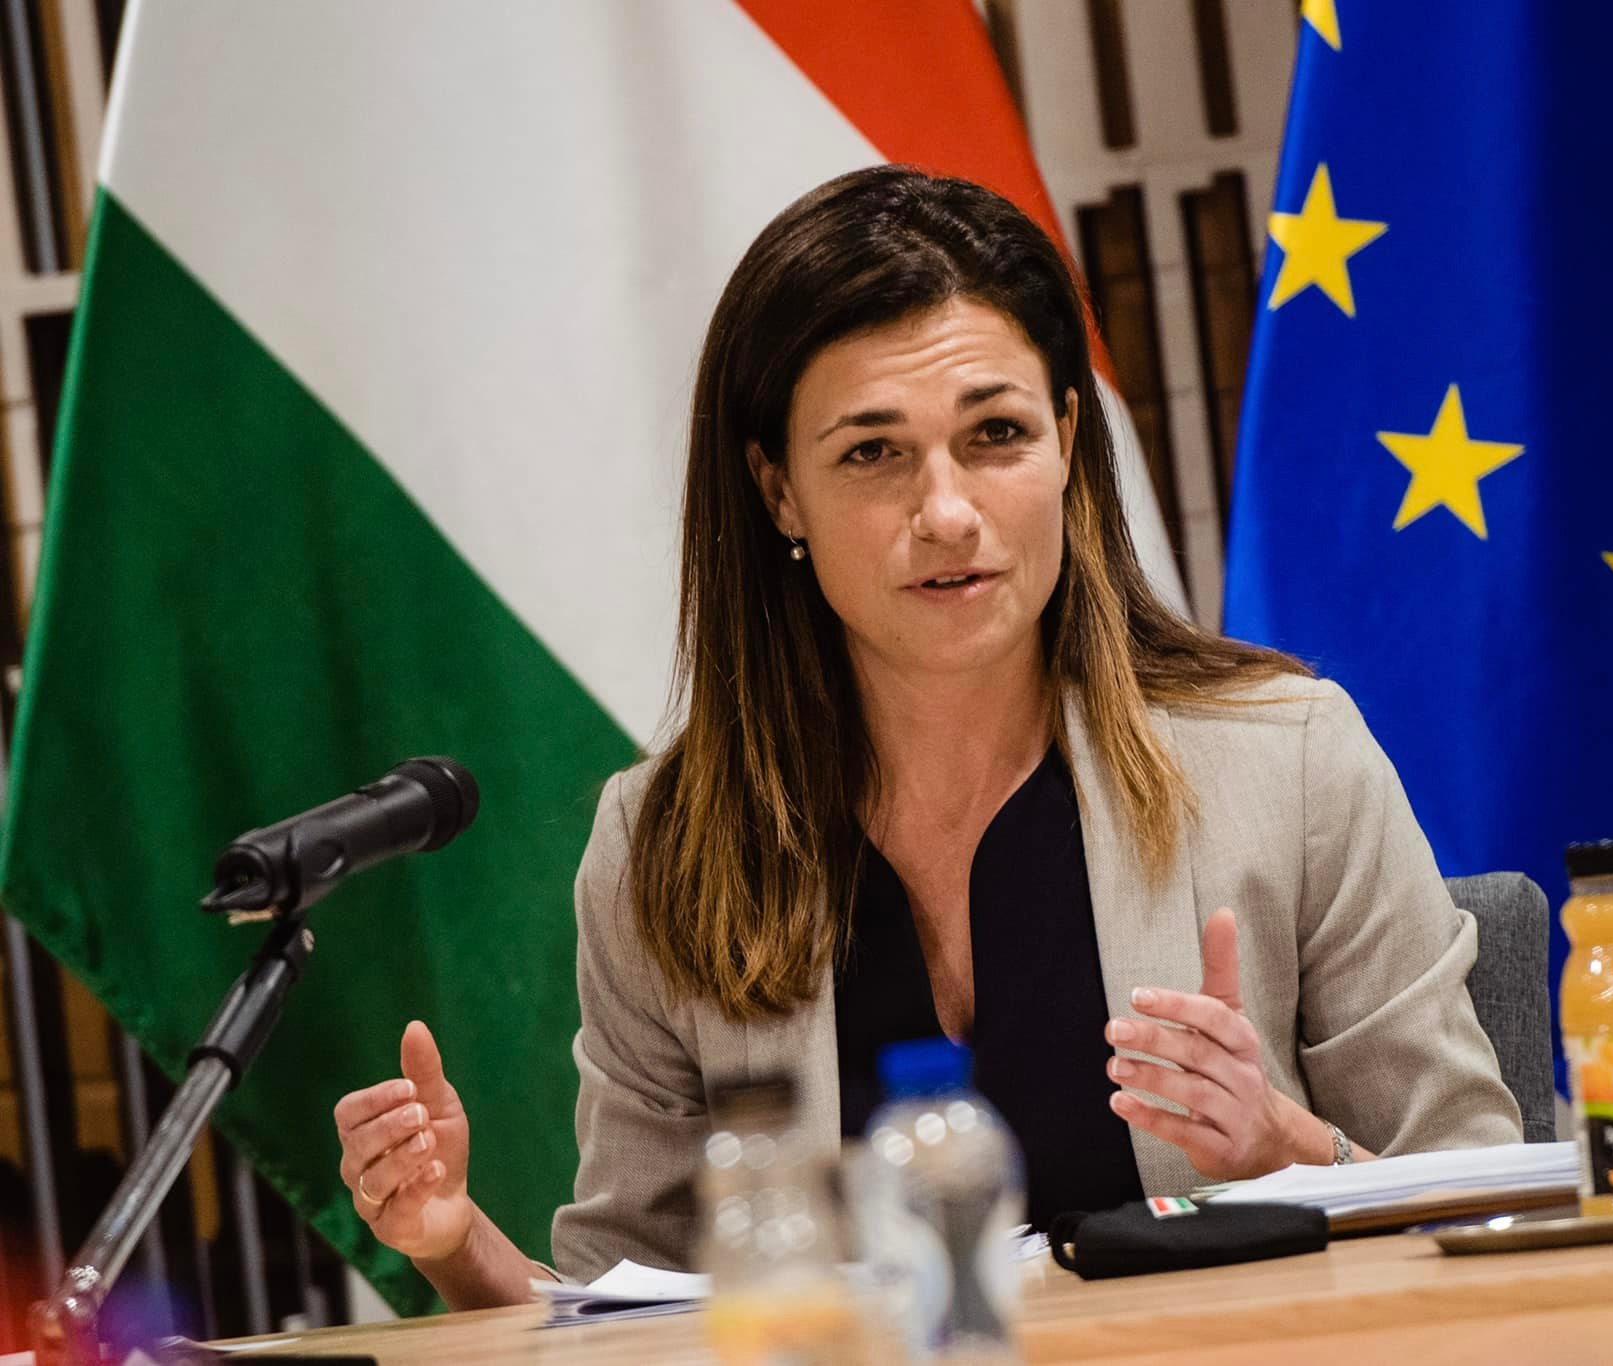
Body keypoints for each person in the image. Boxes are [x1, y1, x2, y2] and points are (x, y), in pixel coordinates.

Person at [332, 165, 1521, 1308]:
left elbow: (1492, 1215)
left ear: (1066, 440)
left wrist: (1282, 1148)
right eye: (872, 452)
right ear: (778, 490)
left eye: (995, 434)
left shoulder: (1289, 762)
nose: (946, 511)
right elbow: (630, 1304)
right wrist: (456, 1244)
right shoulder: (665, 846)